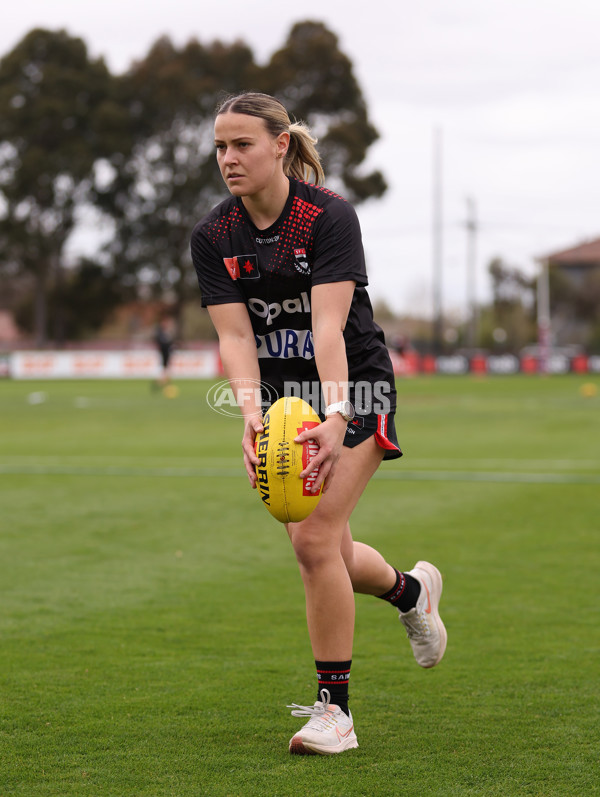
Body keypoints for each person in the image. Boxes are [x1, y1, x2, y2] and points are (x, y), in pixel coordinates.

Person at [190, 92, 447, 755]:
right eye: (220, 146)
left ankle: (336, 712)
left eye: (242, 143)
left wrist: (336, 415)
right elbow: (237, 340)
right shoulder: (214, 236)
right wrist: (250, 417)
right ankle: (411, 590)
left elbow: (327, 327)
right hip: (281, 404)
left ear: (279, 145)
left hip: (355, 386)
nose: (228, 158)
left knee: (313, 543)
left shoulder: (327, 218)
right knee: (325, 547)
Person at [153, 313, 177, 390]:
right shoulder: (160, 332)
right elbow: (161, 342)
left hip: (167, 351)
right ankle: (163, 380)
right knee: (164, 365)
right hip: (164, 351)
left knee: (166, 366)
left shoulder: (166, 332)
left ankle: (164, 380)